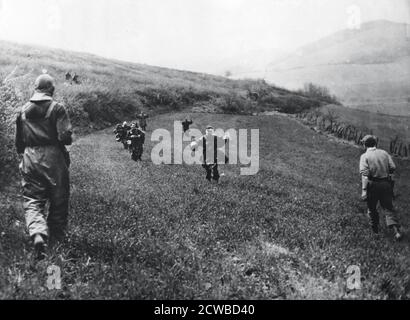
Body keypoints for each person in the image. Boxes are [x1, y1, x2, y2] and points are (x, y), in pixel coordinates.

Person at [15, 74, 73, 259]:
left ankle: (38, 233)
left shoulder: (23, 111)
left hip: (30, 157)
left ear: (35, 88)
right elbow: (65, 137)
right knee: (58, 200)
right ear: (52, 89)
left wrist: (25, 156)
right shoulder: (57, 108)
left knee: (32, 199)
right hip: (53, 158)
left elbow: (19, 143)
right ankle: (55, 244)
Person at [360, 135, 403, 240]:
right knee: (388, 208)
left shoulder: (364, 156)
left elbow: (365, 175)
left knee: (372, 208)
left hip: (372, 184)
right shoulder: (384, 153)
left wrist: (364, 191)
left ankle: (375, 232)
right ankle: (397, 232)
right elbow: (392, 167)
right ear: (375, 144)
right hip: (386, 184)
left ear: (365, 144)